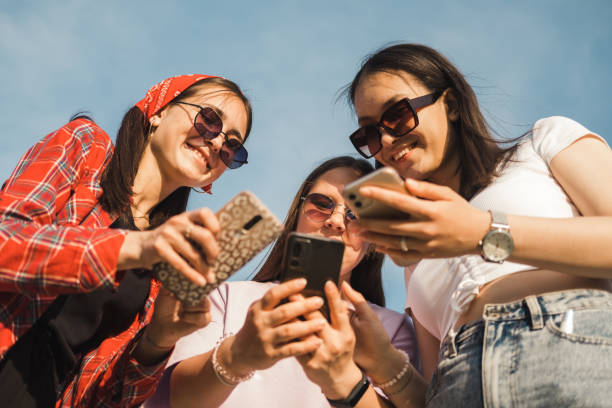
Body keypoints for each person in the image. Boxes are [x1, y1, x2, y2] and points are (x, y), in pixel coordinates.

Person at [342, 43, 612, 407]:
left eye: (398, 114)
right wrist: (383, 362)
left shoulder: (542, 146)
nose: (386, 140)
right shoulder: (419, 254)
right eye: (369, 134)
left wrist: (482, 232)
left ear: (450, 104)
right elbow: (430, 392)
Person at [0, 74, 252, 407]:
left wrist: (157, 343)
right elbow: (7, 240)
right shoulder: (88, 149)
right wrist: (132, 247)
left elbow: (108, 397)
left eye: (233, 145)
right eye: (209, 120)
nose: (219, 144)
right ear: (160, 111)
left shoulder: (163, 271)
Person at [144, 156, 419, 408]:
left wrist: (342, 378)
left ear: (373, 241)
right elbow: (181, 399)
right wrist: (237, 356)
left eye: (355, 215)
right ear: (297, 214)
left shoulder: (393, 331)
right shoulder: (226, 297)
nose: (335, 221)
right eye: (321, 205)